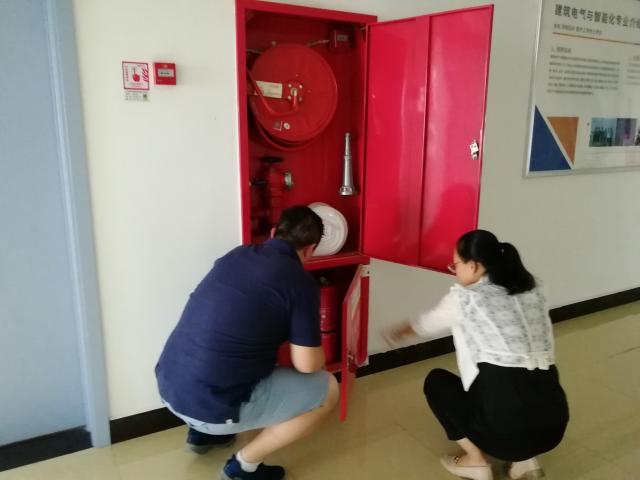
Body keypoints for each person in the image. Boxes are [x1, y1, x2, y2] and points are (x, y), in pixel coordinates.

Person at [155, 205, 339, 480]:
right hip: (211, 406)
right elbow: (307, 365)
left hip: (169, 386)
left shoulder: (236, 255)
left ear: (274, 232)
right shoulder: (300, 282)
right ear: (311, 249)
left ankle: (203, 436)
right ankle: (243, 467)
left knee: (222, 353)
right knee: (328, 390)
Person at [386, 230, 569, 480]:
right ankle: (525, 462)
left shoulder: (467, 298)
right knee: (519, 389)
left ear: (472, 266)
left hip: (505, 434)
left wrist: (397, 333)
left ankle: (476, 462)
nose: (455, 271)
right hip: (554, 427)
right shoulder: (534, 287)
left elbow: (424, 324)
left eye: (455, 265)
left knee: (436, 383)